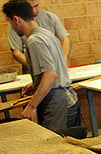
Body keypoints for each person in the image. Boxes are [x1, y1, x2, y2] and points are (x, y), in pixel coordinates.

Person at [3, 0, 81, 132]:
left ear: (16, 19)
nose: (12, 26)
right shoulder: (46, 34)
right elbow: (53, 69)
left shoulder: (34, 41)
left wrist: (32, 106)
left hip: (57, 100)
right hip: (67, 98)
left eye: (10, 22)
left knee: (54, 144)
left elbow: (50, 75)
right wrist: (37, 84)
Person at [7, 0, 70, 73]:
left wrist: (62, 62)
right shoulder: (31, 38)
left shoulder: (35, 39)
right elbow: (16, 52)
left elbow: (50, 74)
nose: (34, 10)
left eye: (36, 6)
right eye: (30, 8)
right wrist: (35, 67)